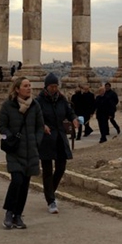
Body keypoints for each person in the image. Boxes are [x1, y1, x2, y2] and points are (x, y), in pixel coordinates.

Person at [0, 76, 44, 229]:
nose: (29, 88)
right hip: (14, 150)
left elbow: (40, 126)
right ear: (17, 89)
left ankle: (18, 215)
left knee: (25, 184)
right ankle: (9, 212)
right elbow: (2, 126)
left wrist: (37, 141)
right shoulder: (8, 106)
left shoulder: (35, 106)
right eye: (25, 85)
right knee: (17, 180)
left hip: (31, 150)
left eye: (30, 85)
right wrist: (10, 138)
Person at [38, 73, 79, 214]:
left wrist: (73, 118)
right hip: (47, 139)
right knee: (47, 170)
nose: (54, 89)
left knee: (61, 167)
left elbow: (69, 112)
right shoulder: (39, 101)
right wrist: (42, 125)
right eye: (52, 86)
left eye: (56, 86)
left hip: (60, 138)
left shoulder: (61, 99)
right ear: (46, 86)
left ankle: (50, 192)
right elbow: (36, 117)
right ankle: (50, 200)